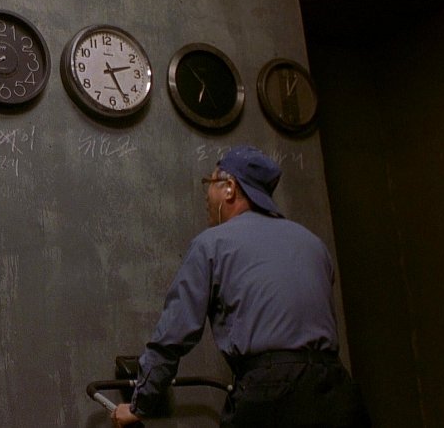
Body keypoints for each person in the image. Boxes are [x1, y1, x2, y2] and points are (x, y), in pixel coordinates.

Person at [112, 145, 370, 427]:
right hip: (336, 391)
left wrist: (140, 404)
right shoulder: (313, 244)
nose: (207, 195)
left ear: (230, 188)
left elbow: (174, 334)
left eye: (210, 182)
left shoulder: (212, 244)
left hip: (271, 395)